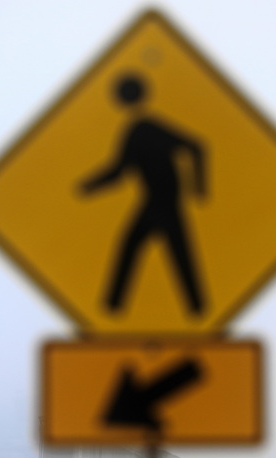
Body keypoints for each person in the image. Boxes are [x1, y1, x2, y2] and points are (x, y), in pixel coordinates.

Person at [79, 73, 207, 315]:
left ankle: (114, 306)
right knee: (163, 251)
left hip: (164, 203)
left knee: (150, 249)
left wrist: (199, 187)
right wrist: (90, 186)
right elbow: (119, 171)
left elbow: (196, 146)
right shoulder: (136, 129)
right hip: (155, 203)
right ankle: (195, 308)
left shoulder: (145, 127)